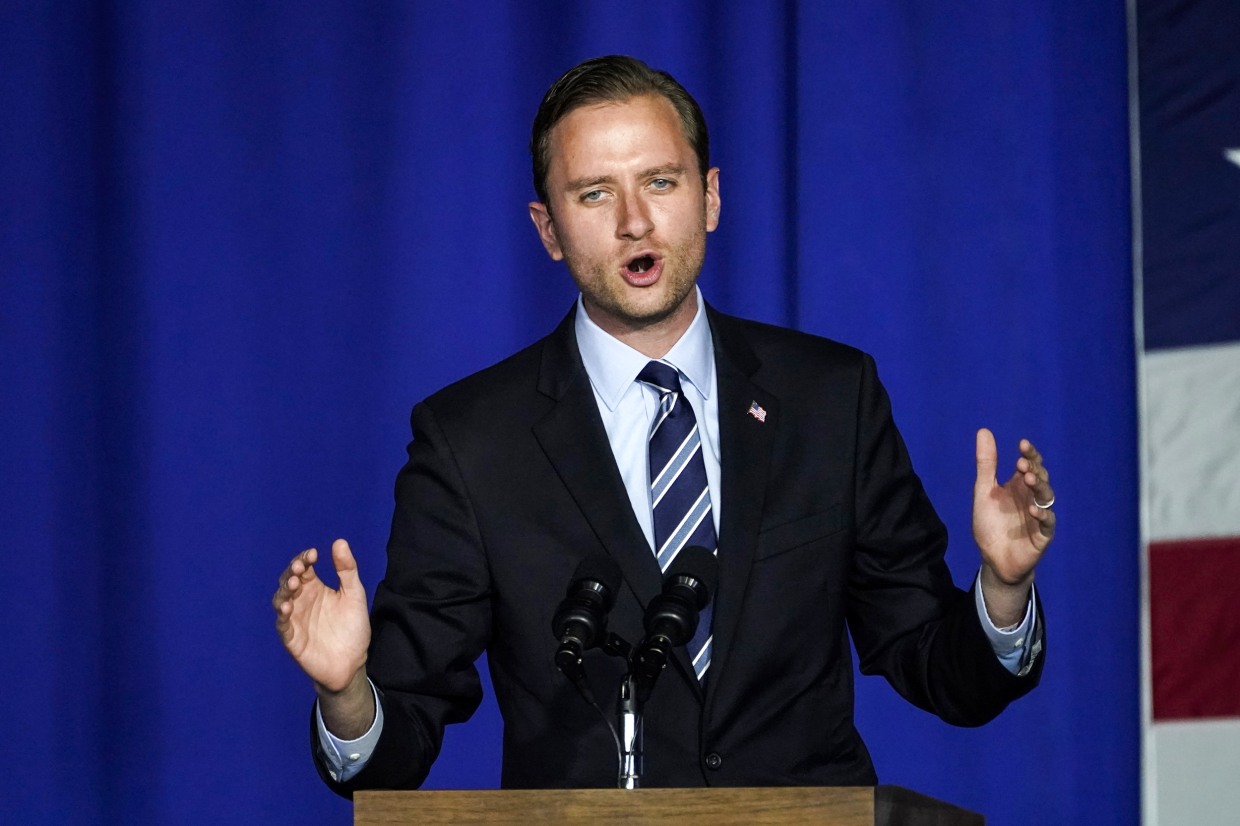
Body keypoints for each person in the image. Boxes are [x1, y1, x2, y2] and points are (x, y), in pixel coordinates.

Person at [274, 55, 1055, 793]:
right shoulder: (471, 440)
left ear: (710, 196)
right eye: (594, 194)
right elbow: (391, 749)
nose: (636, 222)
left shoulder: (830, 397)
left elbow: (942, 668)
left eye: (660, 180)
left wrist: (1003, 590)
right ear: (547, 230)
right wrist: (347, 692)